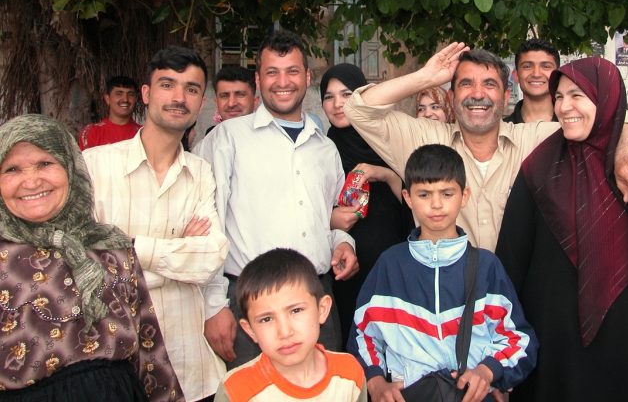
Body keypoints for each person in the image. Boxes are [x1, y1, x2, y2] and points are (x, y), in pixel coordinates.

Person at [344, 41, 628, 252]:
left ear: (506, 98)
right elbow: (358, 109)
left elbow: (616, 117)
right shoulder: (424, 141)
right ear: (451, 98)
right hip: (445, 301)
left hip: (515, 302)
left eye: (489, 85)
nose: (477, 94)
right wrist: (426, 76)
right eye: (466, 84)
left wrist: (625, 159)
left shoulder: (532, 140)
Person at [495, 57, 628, 402]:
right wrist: (502, 349)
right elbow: (510, 262)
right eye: (559, 96)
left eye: (577, 95)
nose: (564, 107)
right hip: (555, 347)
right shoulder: (538, 169)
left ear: (606, 98)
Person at [202, 30, 358, 369]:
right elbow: (207, 225)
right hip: (252, 302)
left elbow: (328, 216)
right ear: (258, 79)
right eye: (272, 72)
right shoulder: (228, 139)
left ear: (307, 77)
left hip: (317, 299)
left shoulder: (325, 148)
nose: (282, 81)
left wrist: (343, 242)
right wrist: (215, 306)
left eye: (291, 71)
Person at [0, 114, 183, 401]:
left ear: (71, 168)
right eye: (12, 169)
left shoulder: (111, 247)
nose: (32, 181)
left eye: (45, 164)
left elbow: (149, 345)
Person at [84, 46, 228, 402]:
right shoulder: (94, 166)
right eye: (168, 85)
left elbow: (209, 257)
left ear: (200, 101)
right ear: (146, 94)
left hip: (187, 361)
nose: (179, 97)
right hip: (111, 358)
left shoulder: (199, 172)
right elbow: (84, 264)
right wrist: (178, 256)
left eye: (191, 89)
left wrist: (127, 247)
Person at [349, 144, 536, 402]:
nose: (436, 205)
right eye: (424, 194)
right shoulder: (390, 265)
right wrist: (376, 382)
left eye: (447, 193)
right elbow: (363, 334)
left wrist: (487, 372)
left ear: (464, 195)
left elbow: (519, 340)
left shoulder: (486, 266)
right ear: (408, 197)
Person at [320, 63, 414, 338]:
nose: (338, 104)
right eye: (328, 96)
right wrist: (331, 218)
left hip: (391, 263)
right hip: (344, 268)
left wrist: (382, 173)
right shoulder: (322, 147)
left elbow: (411, 202)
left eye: (347, 94)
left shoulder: (386, 139)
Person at [215, 249, 367, 402]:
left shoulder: (350, 374)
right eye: (266, 319)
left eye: (296, 310)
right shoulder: (236, 390)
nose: (285, 332)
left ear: (322, 309)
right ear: (250, 330)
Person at [504, 38, 559, 123]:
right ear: (516, 75)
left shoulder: (575, 128)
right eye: (527, 66)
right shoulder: (501, 130)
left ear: (557, 76)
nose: (536, 74)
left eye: (546, 66)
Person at [78, 75, 140, 150]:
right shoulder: (91, 132)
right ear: (107, 99)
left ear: (136, 99)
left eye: (130, 94)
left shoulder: (143, 133)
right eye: (119, 94)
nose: (125, 99)